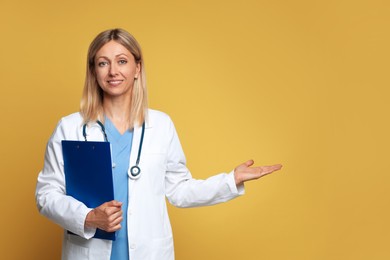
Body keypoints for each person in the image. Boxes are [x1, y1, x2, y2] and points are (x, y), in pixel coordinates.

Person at [35, 28, 282, 260]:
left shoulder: (161, 125)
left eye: (122, 61)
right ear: (93, 71)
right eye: (103, 63)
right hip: (90, 251)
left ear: (137, 68)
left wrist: (231, 180)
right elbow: (46, 195)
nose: (113, 71)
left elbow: (180, 191)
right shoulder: (70, 128)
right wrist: (88, 217)